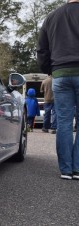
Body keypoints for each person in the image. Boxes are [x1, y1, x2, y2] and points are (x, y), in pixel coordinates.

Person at [36, 0, 79, 180]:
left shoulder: (52, 17)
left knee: (63, 122)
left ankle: (66, 170)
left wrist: (49, 70)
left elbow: (42, 49)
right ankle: (77, 168)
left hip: (60, 73)